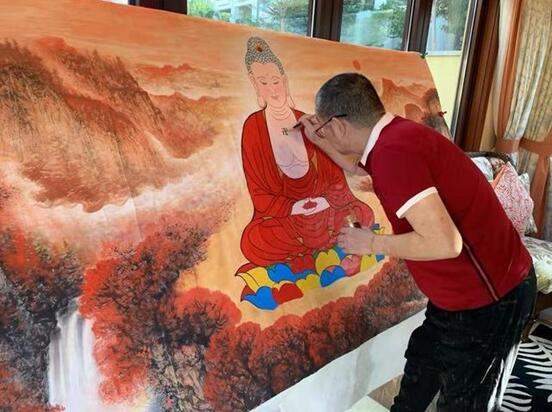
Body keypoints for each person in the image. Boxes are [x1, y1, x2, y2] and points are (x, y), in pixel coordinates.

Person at [295, 72, 536, 411]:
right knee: (417, 381)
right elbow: (363, 171)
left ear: (339, 124)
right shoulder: (394, 136)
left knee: (464, 402)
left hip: (491, 298)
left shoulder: (394, 153)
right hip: (457, 296)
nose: (323, 133)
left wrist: (371, 243)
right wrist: (319, 141)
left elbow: (445, 243)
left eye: (324, 128)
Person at [238, 38, 374, 273]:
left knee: (362, 213)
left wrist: (323, 201)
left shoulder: (308, 121)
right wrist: (294, 207)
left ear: (284, 81)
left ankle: (313, 257)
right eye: (264, 83)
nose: (273, 90)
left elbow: (336, 180)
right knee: (253, 241)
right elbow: (258, 193)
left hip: (325, 211)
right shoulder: (253, 128)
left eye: (276, 82)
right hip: (286, 219)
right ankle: (322, 255)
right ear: (254, 84)